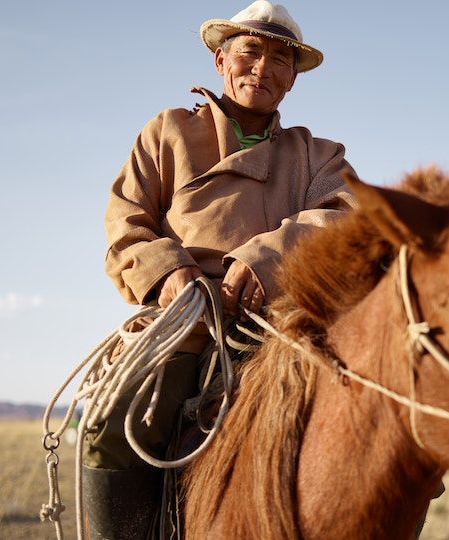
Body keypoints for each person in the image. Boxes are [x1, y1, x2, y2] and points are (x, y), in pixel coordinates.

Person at [82, 1, 356, 537]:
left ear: (293, 80)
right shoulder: (169, 132)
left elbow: (347, 220)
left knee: (380, 423)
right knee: (111, 424)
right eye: (250, 51)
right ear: (220, 62)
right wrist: (172, 276)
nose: (264, 67)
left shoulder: (320, 155)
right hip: (184, 322)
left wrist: (267, 259)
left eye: (281, 59)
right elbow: (127, 222)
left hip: (286, 324)